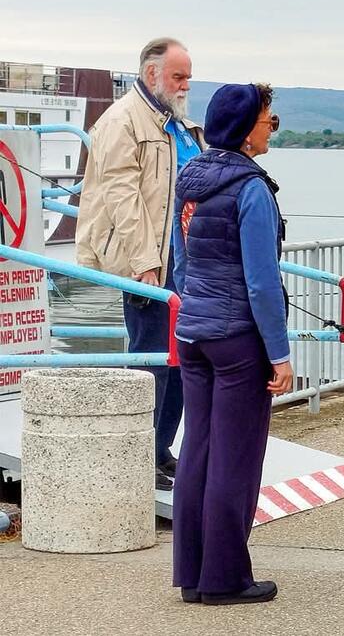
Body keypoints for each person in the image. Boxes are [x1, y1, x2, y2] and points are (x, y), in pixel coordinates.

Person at [170, 83, 292, 605]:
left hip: (194, 333)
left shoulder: (189, 182)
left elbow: (181, 264)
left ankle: (193, 575)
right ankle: (226, 578)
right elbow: (263, 282)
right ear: (246, 131)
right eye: (269, 121)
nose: (272, 128)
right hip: (239, 339)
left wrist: (195, 309)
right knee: (235, 459)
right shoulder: (252, 190)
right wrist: (281, 355)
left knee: (197, 450)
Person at [76, 37, 203, 491]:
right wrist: (145, 264)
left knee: (182, 358)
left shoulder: (177, 122)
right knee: (151, 355)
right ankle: (141, 453)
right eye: (178, 76)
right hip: (148, 262)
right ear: (152, 74)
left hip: (185, 262)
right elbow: (121, 197)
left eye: (188, 76)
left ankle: (162, 448)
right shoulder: (122, 121)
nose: (186, 84)